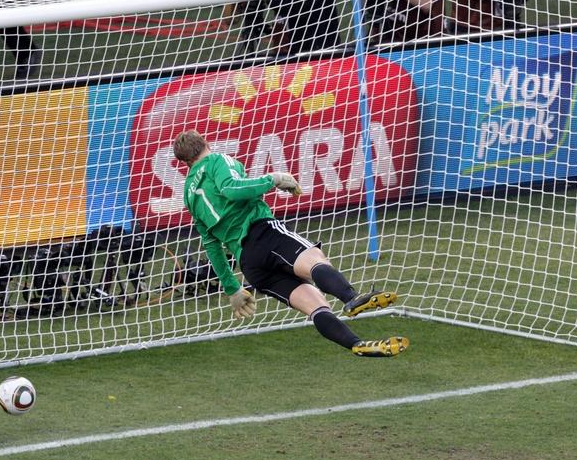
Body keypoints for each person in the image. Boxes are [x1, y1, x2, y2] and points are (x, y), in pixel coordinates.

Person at [172, 130, 409, 358]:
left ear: (185, 163)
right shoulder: (217, 160)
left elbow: (211, 245)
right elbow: (231, 190)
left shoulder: (188, 195)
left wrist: (232, 287)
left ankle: (357, 344)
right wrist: (273, 179)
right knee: (315, 260)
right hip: (263, 233)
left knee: (315, 306)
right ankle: (350, 297)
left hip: (250, 265)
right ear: (206, 144)